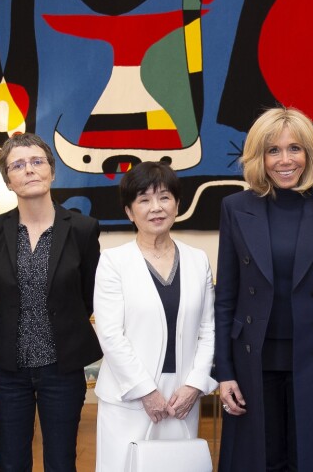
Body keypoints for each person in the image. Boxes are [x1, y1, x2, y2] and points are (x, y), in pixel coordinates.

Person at [215, 106, 313, 471]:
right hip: (253, 359)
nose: (285, 160)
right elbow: (226, 298)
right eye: (273, 150)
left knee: (311, 458)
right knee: (260, 459)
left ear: (309, 154)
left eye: (295, 148)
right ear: (258, 157)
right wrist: (225, 371)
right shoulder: (235, 207)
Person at [0, 132, 102, 472]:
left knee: (61, 461)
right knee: (11, 462)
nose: (29, 170)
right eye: (17, 165)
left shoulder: (82, 228)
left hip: (61, 369)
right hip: (8, 370)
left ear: (51, 170)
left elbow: (87, 296)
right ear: (7, 180)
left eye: (37, 162)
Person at [93, 161, 216, 471]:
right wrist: (146, 391)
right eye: (143, 199)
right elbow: (110, 334)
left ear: (177, 204)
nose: (156, 207)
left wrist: (195, 385)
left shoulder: (197, 260)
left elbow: (208, 329)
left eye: (164, 197)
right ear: (129, 211)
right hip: (129, 397)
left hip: (182, 397)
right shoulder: (113, 262)